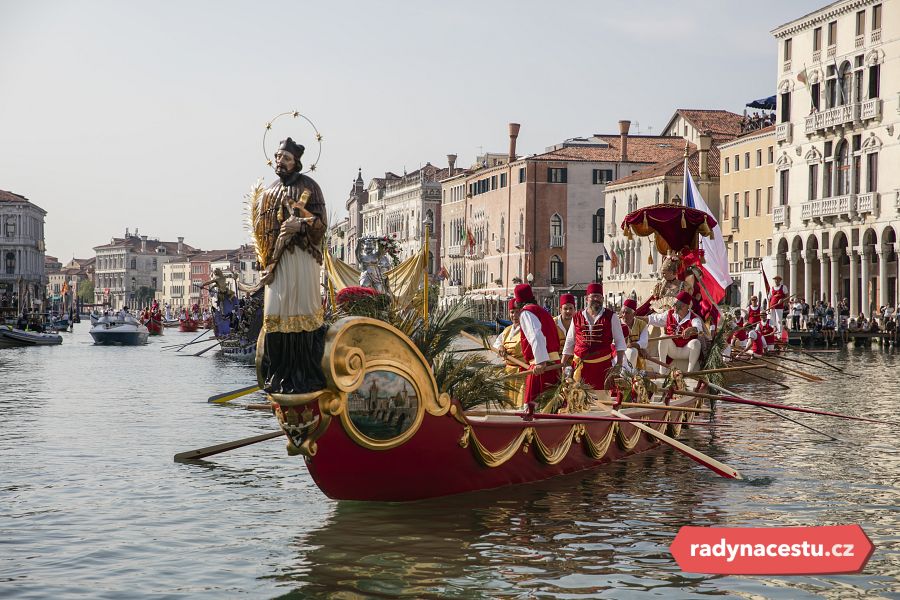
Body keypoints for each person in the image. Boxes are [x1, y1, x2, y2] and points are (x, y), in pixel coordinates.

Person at [250, 137, 328, 395]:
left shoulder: (310, 187)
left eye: (285, 158)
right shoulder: (269, 193)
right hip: (278, 263)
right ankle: (278, 376)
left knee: (303, 312)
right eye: (277, 157)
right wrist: (265, 262)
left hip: (303, 258)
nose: (279, 161)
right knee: (275, 314)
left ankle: (306, 377)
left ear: (296, 162)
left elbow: (321, 226)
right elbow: (262, 233)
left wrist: (302, 225)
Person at [561, 282, 626, 389]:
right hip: (580, 367)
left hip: (602, 367)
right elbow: (570, 341)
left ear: (603, 299)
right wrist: (563, 362)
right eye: (593, 296)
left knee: (602, 395)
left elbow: (619, 341)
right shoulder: (577, 316)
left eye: (599, 297)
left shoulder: (611, 316)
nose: (596, 299)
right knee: (578, 396)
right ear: (587, 299)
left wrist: (618, 364)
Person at [513, 284, 561, 413]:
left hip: (541, 366)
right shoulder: (542, 311)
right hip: (553, 363)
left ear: (518, 301)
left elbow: (535, 335)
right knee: (553, 404)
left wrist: (540, 362)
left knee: (534, 407)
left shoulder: (526, 312)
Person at [648, 291, 704, 373]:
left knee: (696, 343)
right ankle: (662, 370)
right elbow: (654, 319)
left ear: (684, 306)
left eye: (675, 304)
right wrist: (636, 318)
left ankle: (690, 372)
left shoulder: (694, 318)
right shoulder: (669, 313)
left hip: (686, 350)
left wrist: (691, 329)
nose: (673, 306)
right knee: (663, 337)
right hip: (672, 349)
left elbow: (699, 329)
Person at [493, 299, 525, 405]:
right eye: (512, 312)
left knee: (521, 402)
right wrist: (500, 346)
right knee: (508, 402)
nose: (515, 315)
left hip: (523, 371)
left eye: (518, 312)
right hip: (508, 371)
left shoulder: (527, 329)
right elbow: (497, 343)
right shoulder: (507, 330)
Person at [619, 298, 648, 371]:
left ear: (634, 314)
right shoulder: (617, 323)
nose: (624, 315)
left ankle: (630, 374)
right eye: (622, 312)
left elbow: (644, 342)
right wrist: (638, 347)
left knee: (633, 351)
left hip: (637, 355)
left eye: (627, 313)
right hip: (619, 354)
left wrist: (634, 345)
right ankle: (628, 374)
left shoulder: (642, 324)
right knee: (633, 351)